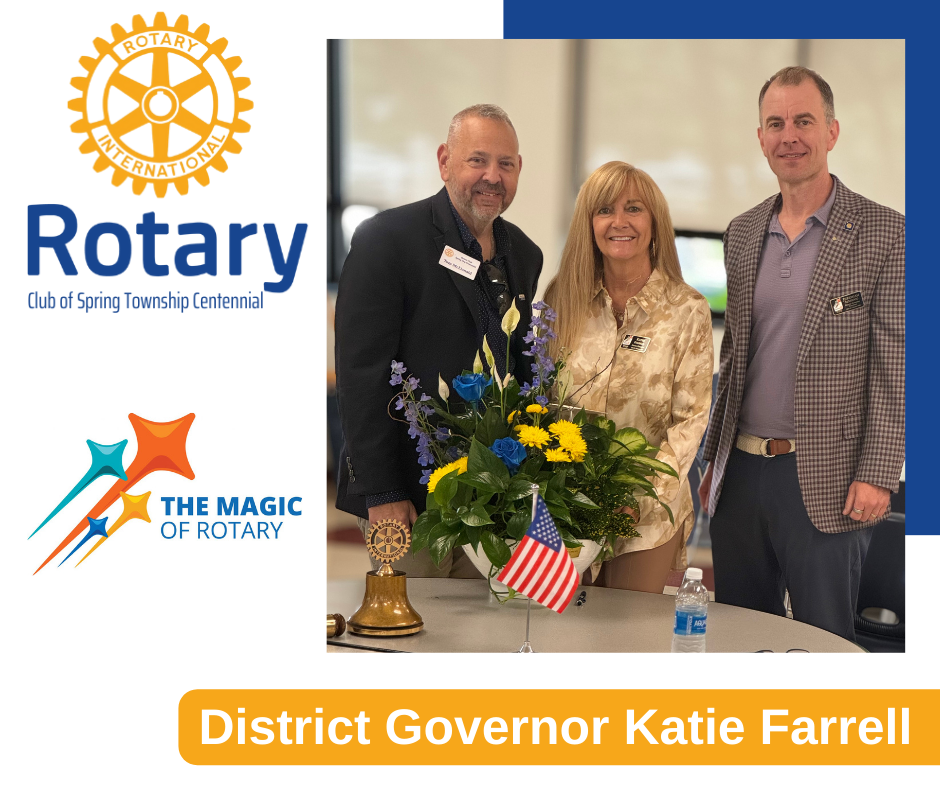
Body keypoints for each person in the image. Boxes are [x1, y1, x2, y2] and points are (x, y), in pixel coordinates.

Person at [698, 67, 905, 641]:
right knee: (740, 637)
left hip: (827, 476)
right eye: (776, 124)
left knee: (823, 645)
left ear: (832, 132)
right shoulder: (741, 233)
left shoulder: (885, 233)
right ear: (760, 138)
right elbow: (735, 357)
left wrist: (877, 474)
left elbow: (898, 366)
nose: (790, 136)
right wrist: (713, 462)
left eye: (804, 121)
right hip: (740, 474)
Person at [334, 104, 543, 577]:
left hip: (493, 498)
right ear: (445, 161)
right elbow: (362, 375)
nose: (493, 176)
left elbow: (522, 368)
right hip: (409, 495)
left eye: (505, 164)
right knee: (413, 635)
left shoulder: (525, 255)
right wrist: (383, 493)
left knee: (479, 640)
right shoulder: (387, 240)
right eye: (478, 160)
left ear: (519, 170)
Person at [545, 161, 714, 592]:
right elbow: (541, 403)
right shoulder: (560, 297)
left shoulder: (687, 309)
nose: (619, 222)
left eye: (634, 209)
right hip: (568, 504)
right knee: (563, 637)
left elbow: (689, 422)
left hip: (647, 514)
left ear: (655, 222)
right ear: (589, 223)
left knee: (629, 639)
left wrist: (638, 497)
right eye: (605, 210)